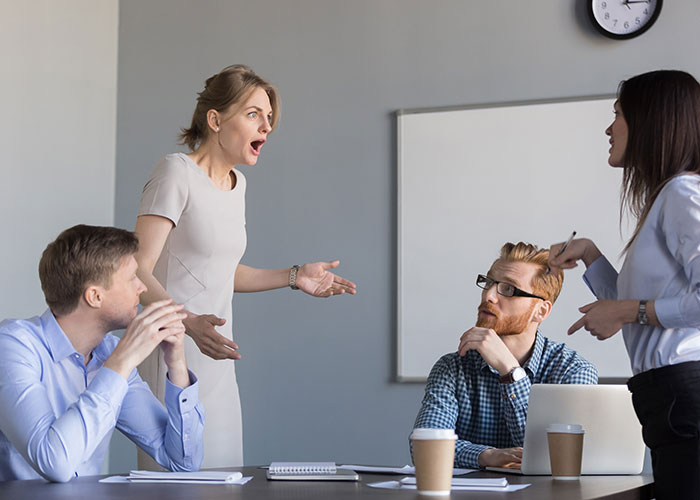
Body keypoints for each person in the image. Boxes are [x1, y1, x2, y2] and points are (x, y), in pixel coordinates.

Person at [134, 64, 356, 468]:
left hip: (217, 360)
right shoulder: (175, 172)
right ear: (215, 119)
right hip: (172, 354)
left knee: (224, 479)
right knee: (175, 484)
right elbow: (136, 268)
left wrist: (294, 277)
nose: (266, 126)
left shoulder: (238, 186)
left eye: (269, 118)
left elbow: (219, 271)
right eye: (254, 114)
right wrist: (186, 322)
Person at [548, 70, 700, 500]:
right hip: (665, 397)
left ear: (651, 122)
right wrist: (591, 256)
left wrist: (629, 311)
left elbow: (637, 310)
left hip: (681, 391)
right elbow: (633, 305)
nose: (609, 128)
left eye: (618, 115)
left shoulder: (681, 195)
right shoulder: (666, 200)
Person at [0, 225, 203, 482]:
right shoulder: (12, 346)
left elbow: (183, 462)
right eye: (132, 278)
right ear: (94, 296)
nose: (142, 287)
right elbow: (55, 463)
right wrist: (122, 362)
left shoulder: (110, 353)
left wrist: (176, 362)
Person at [412, 242, 597, 469]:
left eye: (508, 289)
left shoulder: (573, 371)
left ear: (541, 311)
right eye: (488, 282)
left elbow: (556, 458)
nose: (488, 295)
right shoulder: (452, 367)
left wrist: (510, 371)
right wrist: (487, 456)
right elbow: (426, 447)